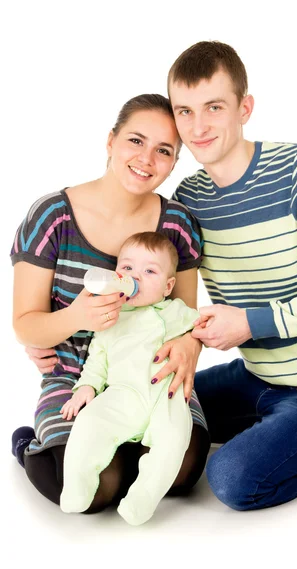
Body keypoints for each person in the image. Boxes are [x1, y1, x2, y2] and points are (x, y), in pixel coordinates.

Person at [164, 41, 297, 511]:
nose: (197, 127)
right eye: (184, 110)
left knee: (232, 480)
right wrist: (60, 322)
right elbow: (151, 271)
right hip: (257, 377)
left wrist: (249, 323)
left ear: (245, 108)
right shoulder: (189, 197)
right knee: (149, 406)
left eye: (213, 107)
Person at [10, 94, 210, 513]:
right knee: (96, 488)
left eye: (164, 150)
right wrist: (75, 317)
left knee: (184, 472)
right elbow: (25, 325)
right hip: (75, 379)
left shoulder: (176, 224)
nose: (146, 158)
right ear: (110, 141)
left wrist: (190, 345)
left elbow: (188, 323)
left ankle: (129, 448)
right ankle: (31, 444)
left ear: (174, 162)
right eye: (135, 141)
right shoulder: (52, 216)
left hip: (156, 378)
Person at [60, 232, 200, 525]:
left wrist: (194, 339)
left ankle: (141, 502)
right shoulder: (112, 315)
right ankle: (76, 488)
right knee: (89, 425)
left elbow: (203, 327)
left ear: (167, 286)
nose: (135, 276)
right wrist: (87, 385)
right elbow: (98, 356)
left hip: (166, 395)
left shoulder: (175, 311)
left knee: (174, 439)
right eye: (127, 268)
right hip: (122, 394)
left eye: (149, 271)